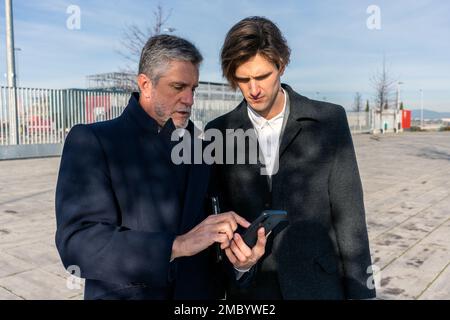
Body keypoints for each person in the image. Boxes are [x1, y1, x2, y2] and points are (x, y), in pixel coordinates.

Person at [55, 34, 249, 300]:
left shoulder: (201, 149)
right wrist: (176, 246)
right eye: (178, 87)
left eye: (193, 89)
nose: (189, 99)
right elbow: (78, 243)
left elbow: (211, 237)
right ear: (145, 84)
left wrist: (241, 258)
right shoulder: (94, 141)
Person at [206, 16, 376, 300]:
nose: (253, 89)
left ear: (281, 66)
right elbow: (217, 221)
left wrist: (363, 295)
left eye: (262, 76)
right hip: (252, 292)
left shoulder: (329, 120)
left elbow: (350, 218)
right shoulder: (218, 132)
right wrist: (238, 266)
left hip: (319, 287)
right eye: (243, 79)